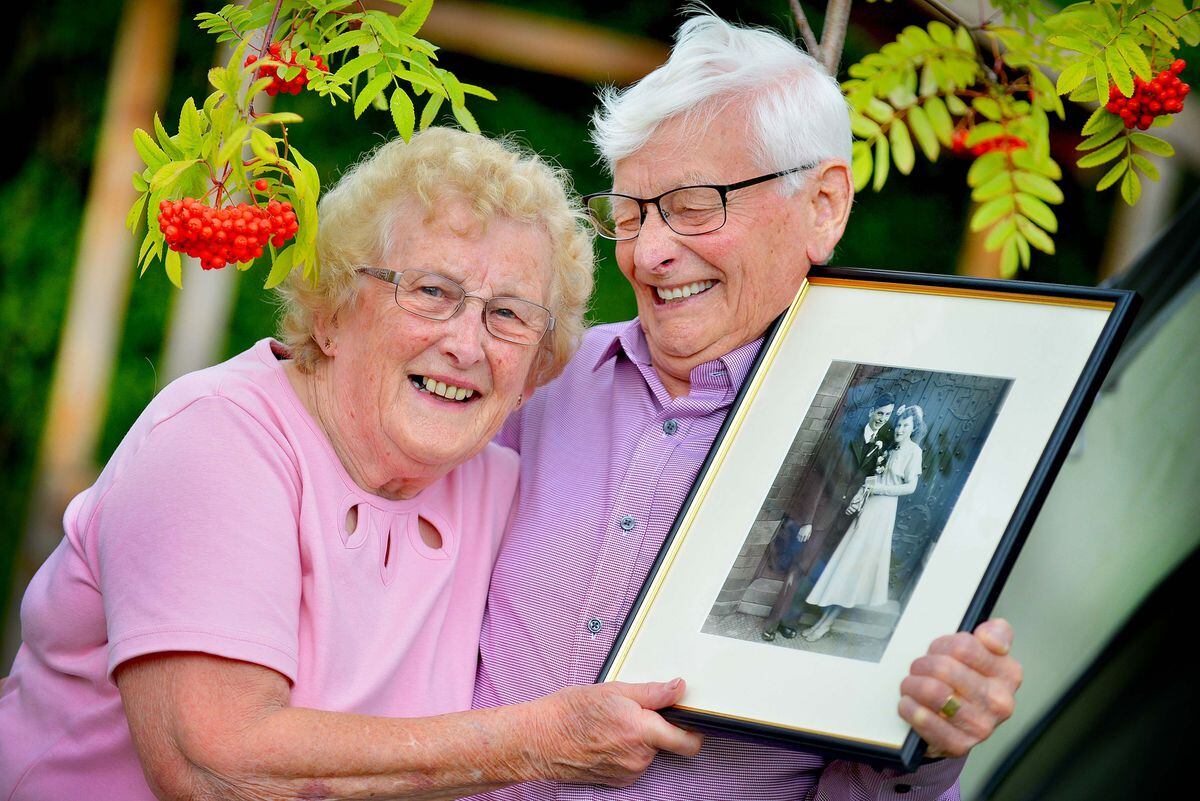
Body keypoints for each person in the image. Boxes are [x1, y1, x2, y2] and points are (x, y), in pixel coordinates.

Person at [0, 128, 702, 801]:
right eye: (432, 291)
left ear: (533, 372)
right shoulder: (218, 437)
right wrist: (536, 741)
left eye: (509, 315)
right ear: (332, 311)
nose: (466, 342)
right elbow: (212, 765)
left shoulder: (500, 489)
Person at [474, 13, 1022, 800]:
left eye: (694, 206)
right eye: (628, 213)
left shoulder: (889, 431)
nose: (649, 251)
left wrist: (925, 743)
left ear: (824, 204)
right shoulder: (532, 377)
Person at [762, 394, 896, 641]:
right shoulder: (846, 438)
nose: (882, 419)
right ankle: (773, 621)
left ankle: (790, 621)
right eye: (880, 413)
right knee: (799, 566)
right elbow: (818, 483)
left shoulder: (881, 447)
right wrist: (808, 521)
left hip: (844, 523)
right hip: (820, 519)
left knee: (817, 573)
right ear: (871, 413)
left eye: (887, 416)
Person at [803, 404, 926, 642]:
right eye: (899, 424)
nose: (900, 428)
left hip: (883, 512)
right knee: (847, 562)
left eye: (906, 426)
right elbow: (872, 477)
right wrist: (860, 497)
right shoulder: (890, 447)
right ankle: (824, 620)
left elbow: (910, 487)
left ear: (914, 428)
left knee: (854, 565)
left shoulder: (913, 451)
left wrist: (878, 488)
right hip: (868, 507)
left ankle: (827, 622)